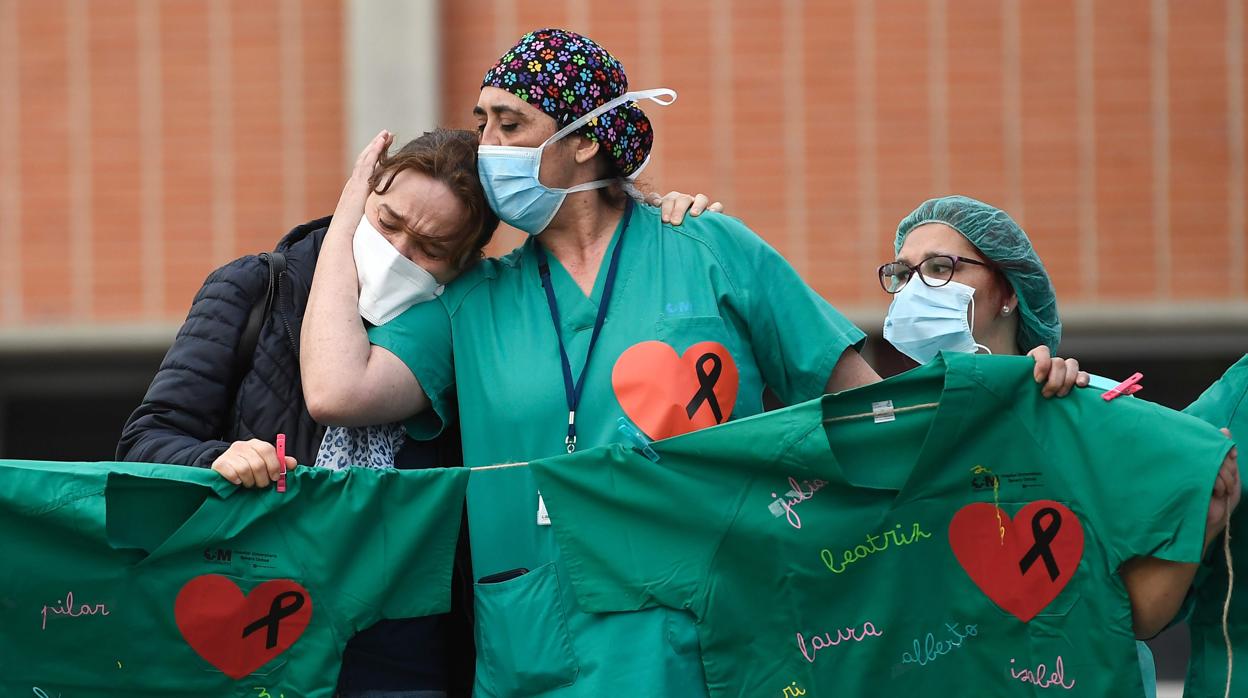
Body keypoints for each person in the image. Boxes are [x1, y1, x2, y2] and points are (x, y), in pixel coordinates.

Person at [301, 27, 884, 698]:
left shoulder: (710, 247)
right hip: (537, 651)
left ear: (584, 140)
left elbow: (868, 415)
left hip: (713, 645)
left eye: (510, 124)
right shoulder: (474, 302)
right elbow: (337, 388)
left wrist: (1017, 400)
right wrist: (350, 210)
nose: (486, 147)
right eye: (481, 123)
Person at [117, 129, 498, 698]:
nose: (398, 253)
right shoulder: (255, 287)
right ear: (361, 198)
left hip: (403, 656)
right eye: (388, 222)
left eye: (430, 248)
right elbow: (144, 442)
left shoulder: (465, 325)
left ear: (461, 266)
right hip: (258, 638)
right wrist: (219, 457)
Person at [877, 194, 1241, 698]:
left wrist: (1205, 511)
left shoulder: (1078, 413)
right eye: (902, 273)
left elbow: (1132, 615)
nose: (917, 288)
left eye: (940, 268)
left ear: (1007, 292)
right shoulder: (881, 433)